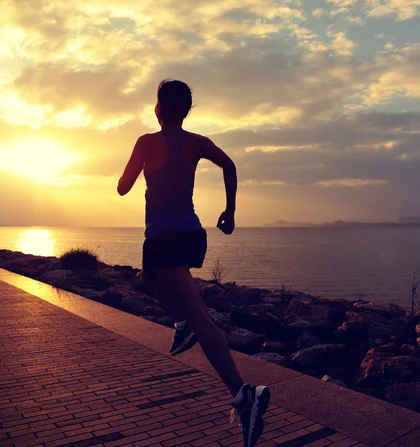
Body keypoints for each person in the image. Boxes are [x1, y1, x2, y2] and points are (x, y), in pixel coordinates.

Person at [117, 79, 270, 447]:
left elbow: (123, 187)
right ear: (186, 111)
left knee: (201, 320)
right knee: (146, 279)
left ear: (158, 108)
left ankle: (243, 394)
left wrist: (140, 170)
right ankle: (182, 322)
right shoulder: (197, 142)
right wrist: (230, 212)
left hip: (164, 238)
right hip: (188, 234)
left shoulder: (145, 142)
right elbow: (229, 165)